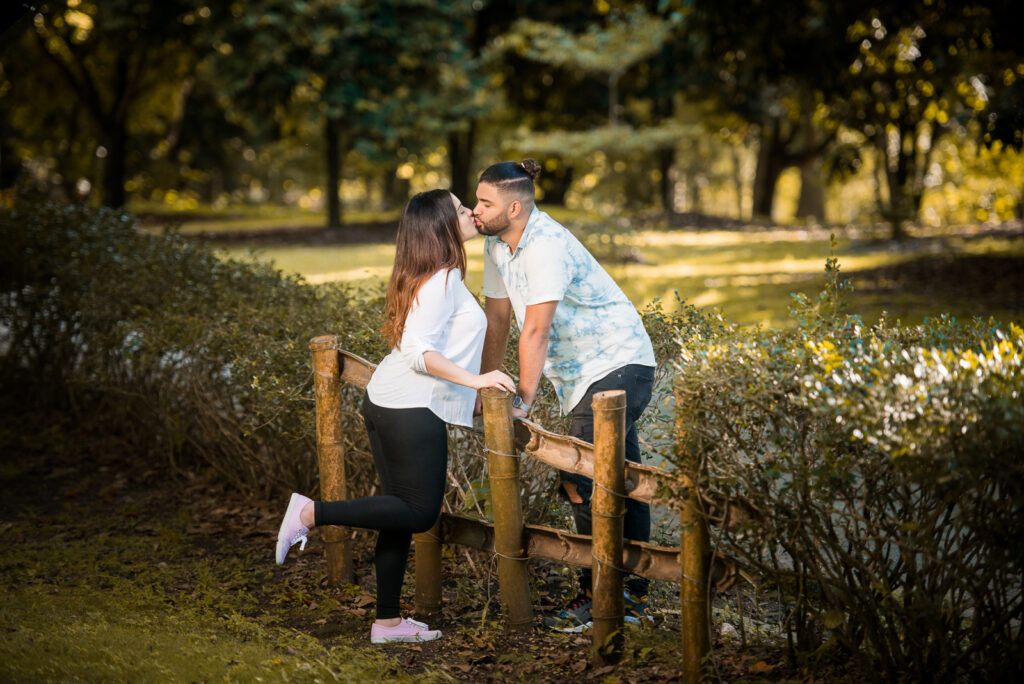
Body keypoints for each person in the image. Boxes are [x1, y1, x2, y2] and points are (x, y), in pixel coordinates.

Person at [275, 189, 516, 644]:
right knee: (419, 512)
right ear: (443, 224)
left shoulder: (431, 274)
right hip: (410, 406)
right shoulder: (442, 279)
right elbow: (420, 353)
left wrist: (474, 385)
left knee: (397, 514)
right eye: (462, 209)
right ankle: (310, 513)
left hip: (390, 400)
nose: (471, 213)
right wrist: (478, 381)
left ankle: (386, 622)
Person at [473, 159, 656, 631]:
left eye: (484, 202)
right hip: (584, 378)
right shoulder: (497, 246)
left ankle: (601, 597)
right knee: (620, 478)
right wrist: (486, 383)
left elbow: (536, 329)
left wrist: (524, 401)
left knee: (581, 480)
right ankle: (630, 597)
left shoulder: (546, 245)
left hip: (619, 364)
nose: (476, 210)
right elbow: (498, 320)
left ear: (514, 207)